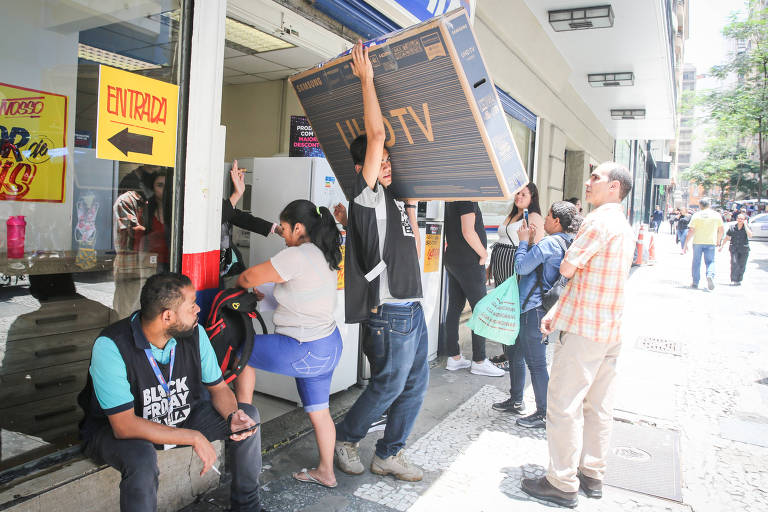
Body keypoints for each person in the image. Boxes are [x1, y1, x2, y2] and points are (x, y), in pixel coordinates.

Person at [77, 273, 263, 512]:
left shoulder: (195, 333)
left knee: (248, 418)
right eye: (191, 305)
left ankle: (248, 508)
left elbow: (218, 388)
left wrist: (232, 415)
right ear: (167, 316)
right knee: (141, 458)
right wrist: (193, 437)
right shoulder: (112, 345)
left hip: (180, 417)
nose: (198, 309)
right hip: (122, 431)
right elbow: (124, 426)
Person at [333, 41, 427, 482]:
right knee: (388, 384)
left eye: (388, 161)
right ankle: (346, 439)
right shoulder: (366, 196)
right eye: (379, 161)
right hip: (390, 313)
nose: (385, 164)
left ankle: (389, 452)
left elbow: (401, 244)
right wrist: (366, 81)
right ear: (362, 168)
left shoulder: (391, 199)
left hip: (411, 307)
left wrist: (410, 210)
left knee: (415, 382)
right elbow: (375, 135)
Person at [520, 162, 635, 508]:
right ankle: (591, 473)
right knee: (598, 406)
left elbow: (569, 267)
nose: (588, 182)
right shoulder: (624, 225)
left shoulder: (597, 221)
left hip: (585, 327)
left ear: (614, 187)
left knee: (564, 404)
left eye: (596, 178)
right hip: (611, 327)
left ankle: (561, 480)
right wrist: (558, 310)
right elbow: (590, 277)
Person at [234, 199, 343, 488]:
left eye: (283, 228)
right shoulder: (323, 252)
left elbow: (246, 277)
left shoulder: (298, 254)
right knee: (320, 412)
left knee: (242, 350)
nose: (281, 233)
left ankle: (241, 416)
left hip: (304, 348)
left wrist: (237, 288)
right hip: (328, 345)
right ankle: (326, 472)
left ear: (298, 227)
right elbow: (301, 288)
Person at [492, 202, 581, 428]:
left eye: (548, 216)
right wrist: (531, 242)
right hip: (539, 307)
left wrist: (522, 242)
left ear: (557, 221)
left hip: (533, 308)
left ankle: (543, 412)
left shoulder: (551, 242)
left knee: (536, 363)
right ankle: (516, 399)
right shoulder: (566, 241)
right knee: (514, 353)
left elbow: (521, 267)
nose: (544, 220)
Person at [443, 200, 504, 376]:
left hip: (454, 258)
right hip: (469, 261)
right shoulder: (467, 197)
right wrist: (484, 254)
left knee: (454, 307)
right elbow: (468, 231)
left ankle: (454, 357)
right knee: (481, 309)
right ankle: (479, 360)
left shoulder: (452, 196)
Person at [220, 161, 282, 286]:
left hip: (222, 263)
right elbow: (218, 217)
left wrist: (274, 228)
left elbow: (239, 217)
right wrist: (237, 194)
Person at [490, 184, 545, 286]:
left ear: (532, 199)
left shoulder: (534, 217)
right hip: (499, 268)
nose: (519, 196)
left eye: (524, 195)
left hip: (514, 266)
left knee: (512, 298)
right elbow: (501, 240)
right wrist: (490, 267)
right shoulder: (511, 215)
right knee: (499, 298)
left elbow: (536, 248)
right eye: (518, 193)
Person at [683, 197, 724, 290]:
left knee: (696, 262)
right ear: (709, 205)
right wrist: (718, 240)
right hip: (711, 242)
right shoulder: (716, 215)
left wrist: (686, 244)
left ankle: (695, 282)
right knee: (710, 261)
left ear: (700, 205)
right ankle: (710, 275)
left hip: (698, 242)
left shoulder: (696, 215)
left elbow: (691, 230)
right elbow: (721, 230)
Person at [140, 170, 170, 272]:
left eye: (167, 185)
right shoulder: (146, 211)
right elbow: (139, 240)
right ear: (153, 188)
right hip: (151, 264)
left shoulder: (179, 211)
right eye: (160, 185)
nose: (164, 189)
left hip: (174, 262)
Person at [720, 213, 752, 285]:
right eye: (738, 218)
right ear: (736, 219)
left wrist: (746, 225)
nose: (740, 220)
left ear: (744, 220)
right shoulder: (732, 227)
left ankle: (739, 280)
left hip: (744, 249)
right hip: (734, 248)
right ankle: (734, 279)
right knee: (734, 263)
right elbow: (727, 237)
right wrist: (722, 246)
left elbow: (750, 235)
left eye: (742, 219)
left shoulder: (747, 227)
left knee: (742, 264)